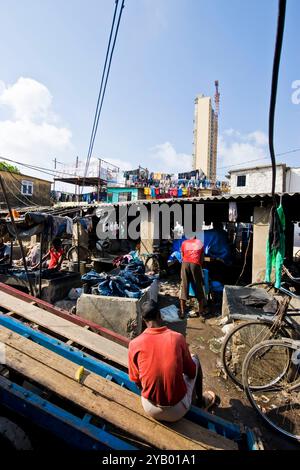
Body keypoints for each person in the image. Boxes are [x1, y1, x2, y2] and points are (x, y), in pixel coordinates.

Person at [128, 300, 215, 422]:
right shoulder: (177, 338)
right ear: (160, 315)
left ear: (143, 319)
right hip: (177, 411)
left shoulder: (134, 344)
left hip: (150, 408)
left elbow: (136, 380)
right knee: (195, 359)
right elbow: (191, 372)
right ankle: (200, 402)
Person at [180, 236, 205, 319]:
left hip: (185, 264)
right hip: (195, 264)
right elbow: (202, 259)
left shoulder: (184, 243)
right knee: (199, 286)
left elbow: (182, 256)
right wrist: (198, 267)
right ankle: (201, 312)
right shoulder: (200, 243)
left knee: (184, 286)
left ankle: (183, 312)